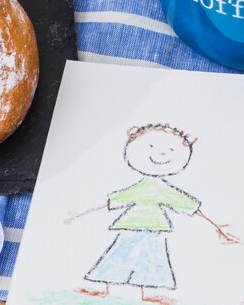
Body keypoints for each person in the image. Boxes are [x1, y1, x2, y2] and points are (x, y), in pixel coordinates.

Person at [66, 124, 239, 305]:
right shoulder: (142, 188)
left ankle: (147, 293)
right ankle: (104, 288)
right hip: (131, 227)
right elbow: (113, 201)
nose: (161, 154)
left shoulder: (164, 190)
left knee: (152, 261)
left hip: (154, 230)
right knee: (119, 256)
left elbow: (191, 207)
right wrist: (79, 214)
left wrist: (217, 227)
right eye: (151, 147)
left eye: (171, 149)